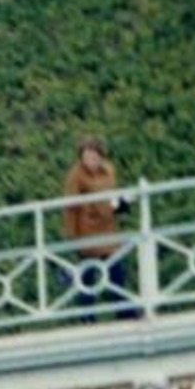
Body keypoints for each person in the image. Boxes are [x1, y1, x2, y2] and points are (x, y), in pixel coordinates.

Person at [61, 135, 131, 320]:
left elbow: (113, 194)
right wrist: (72, 236)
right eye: (86, 157)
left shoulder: (108, 170)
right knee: (88, 277)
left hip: (107, 229)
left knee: (116, 272)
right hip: (87, 232)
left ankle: (124, 312)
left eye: (94, 156)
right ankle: (88, 317)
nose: (91, 161)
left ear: (101, 155)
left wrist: (120, 204)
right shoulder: (76, 175)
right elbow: (70, 207)